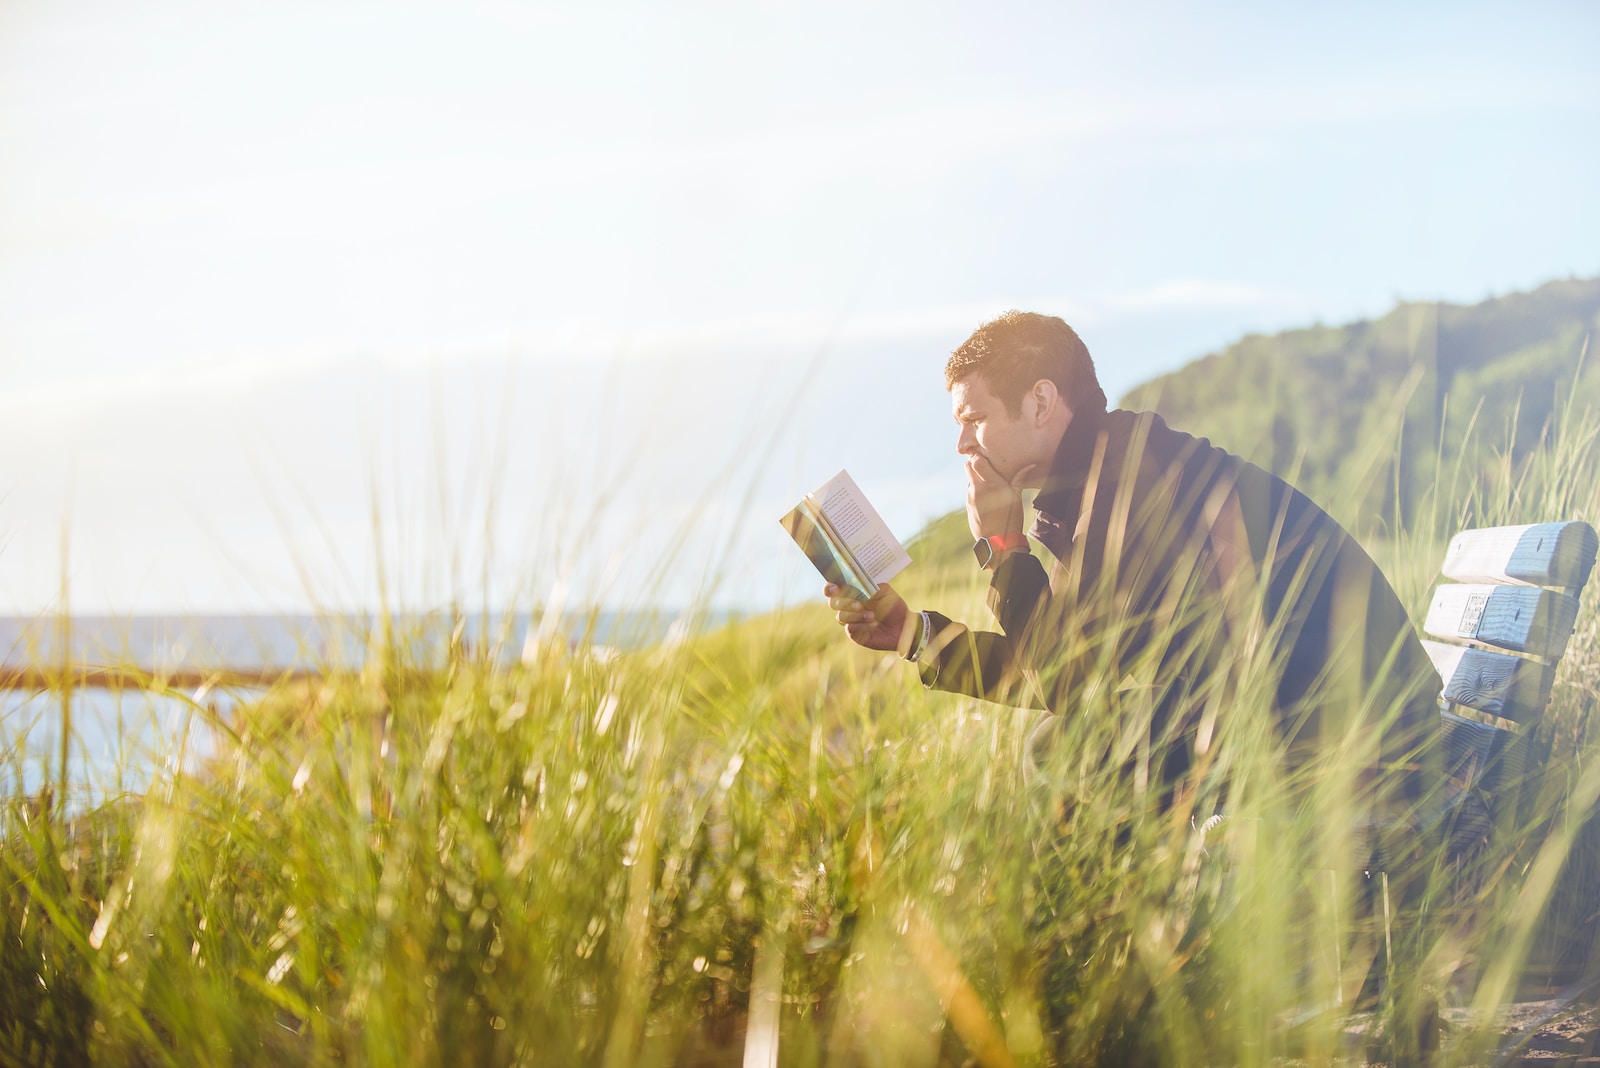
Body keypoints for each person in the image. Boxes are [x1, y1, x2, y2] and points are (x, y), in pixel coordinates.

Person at [825, 310, 1441, 837]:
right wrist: (912, 633)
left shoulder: (1133, 484)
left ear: (1040, 402)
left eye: (974, 417)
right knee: (1074, 741)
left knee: (1068, 749)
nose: (961, 443)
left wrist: (1007, 546)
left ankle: (1126, 964)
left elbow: (1065, 684)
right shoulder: (1101, 478)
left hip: (1364, 749)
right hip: (1312, 726)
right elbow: (1063, 671)